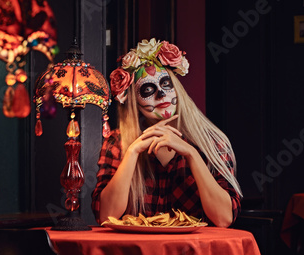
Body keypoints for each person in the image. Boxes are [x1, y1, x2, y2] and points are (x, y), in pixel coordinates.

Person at [91, 38, 242, 227]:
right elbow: (106, 216)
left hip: (194, 252)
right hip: (138, 252)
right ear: (133, 101)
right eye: (147, 89)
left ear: (177, 89)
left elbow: (224, 218)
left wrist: (191, 153)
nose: (161, 94)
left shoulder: (212, 141)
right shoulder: (116, 143)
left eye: (166, 84)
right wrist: (132, 152)